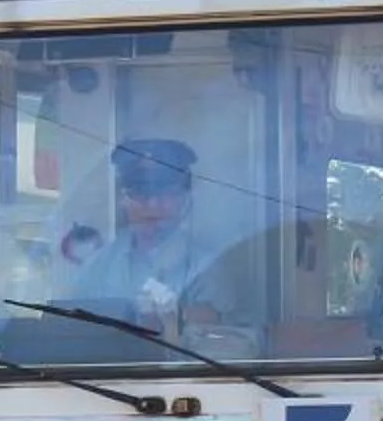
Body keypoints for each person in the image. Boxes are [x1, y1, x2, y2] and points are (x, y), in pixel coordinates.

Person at [62, 137, 245, 336]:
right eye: (140, 194)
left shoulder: (206, 267)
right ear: (123, 199)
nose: (153, 205)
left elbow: (223, 341)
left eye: (166, 193)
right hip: (107, 366)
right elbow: (74, 330)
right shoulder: (99, 264)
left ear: (183, 199)